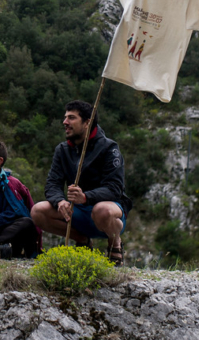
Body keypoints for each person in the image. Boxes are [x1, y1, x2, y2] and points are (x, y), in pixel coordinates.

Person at [31, 100, 132, 265]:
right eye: (65, 118)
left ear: (87, 123)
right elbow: (52, 184)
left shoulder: (109, 148)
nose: (65, 122)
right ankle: (82, 239)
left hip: (109, 210)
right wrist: (60, 201)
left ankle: (115, 243)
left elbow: (115, 188)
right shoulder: (62, 150)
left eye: (71, 118)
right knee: (37, 211)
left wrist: (86, 197)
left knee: (102, 210)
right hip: (76, 210)